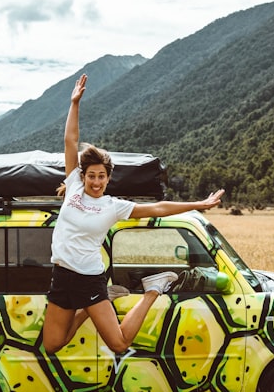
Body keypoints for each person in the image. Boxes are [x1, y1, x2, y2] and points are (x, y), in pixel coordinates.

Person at [41, 74, 225, 355]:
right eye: (92, 175)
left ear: (108, 178)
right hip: (62, 275)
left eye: (101, 177)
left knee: (118, 343)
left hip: (89, 278)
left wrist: (198, 204)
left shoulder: (113, 206)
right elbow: (70, 139)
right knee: (53, 344)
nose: (96, 182)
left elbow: (158, 208)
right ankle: (91, 310)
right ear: (83, 175)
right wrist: (74, 102)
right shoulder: (74, 184)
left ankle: (152, 290)